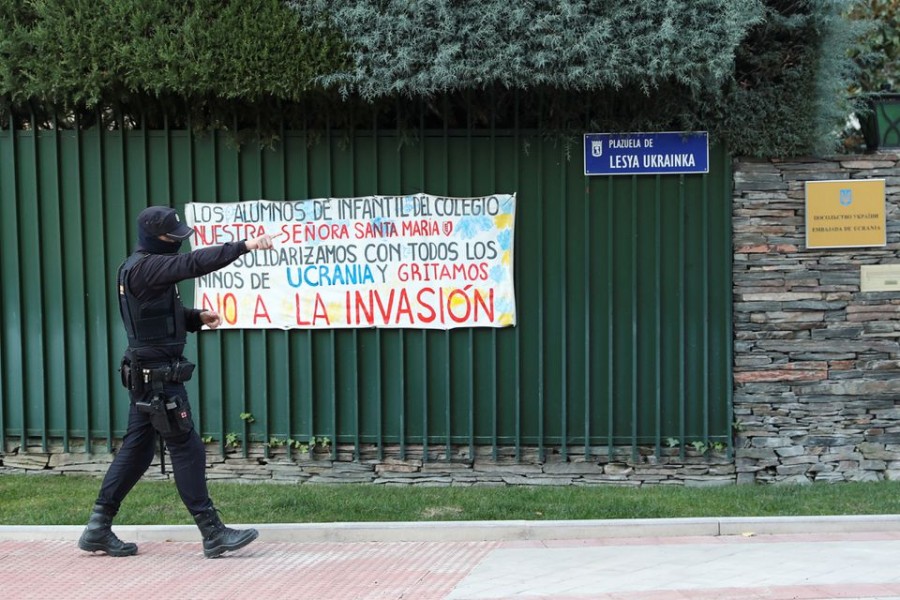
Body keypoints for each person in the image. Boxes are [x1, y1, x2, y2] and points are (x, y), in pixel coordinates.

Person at [78, 205, 274, 558]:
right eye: (173, 237)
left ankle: (97, 527)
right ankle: (212, 532)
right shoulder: (149, 266)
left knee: (137, 453)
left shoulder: (137, 267)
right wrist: (246, 246)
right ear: (155, 237)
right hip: (159, 379)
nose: (178, 244)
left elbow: (155, 318)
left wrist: (196, 317)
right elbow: (192, 264)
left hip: (147, 373)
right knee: (187, 448)